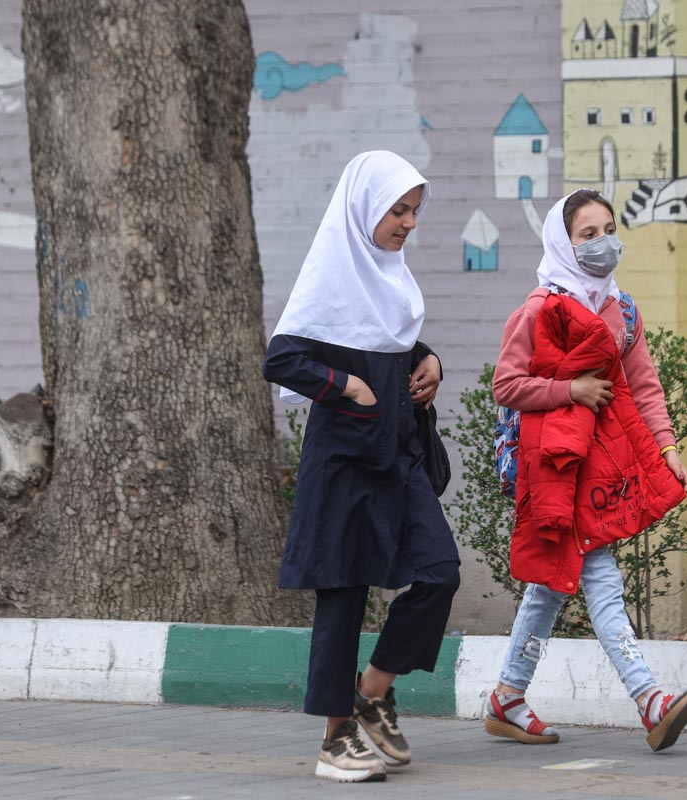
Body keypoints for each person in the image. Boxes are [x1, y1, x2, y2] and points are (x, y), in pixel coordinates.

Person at [262, 151, 461, 783]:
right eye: (397, 211)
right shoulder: (330, 277)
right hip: (345, 459)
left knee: (440, 573)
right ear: (363, 210)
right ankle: (335, 739)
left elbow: (390, 343)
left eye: (413, 212)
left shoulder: (392, 278)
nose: (407, 223)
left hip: (397, 455)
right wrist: (344, 384)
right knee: (343, 595)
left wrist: (427, 361)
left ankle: (373, 688)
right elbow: (283, 358)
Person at [484, 188, 687, 753]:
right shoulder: (538, 310)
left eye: (609, 229)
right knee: (599, 578)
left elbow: (643, 385)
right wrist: (570, 389)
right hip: (554, 468)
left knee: (550, 586)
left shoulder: (621, 309)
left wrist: (667, 446)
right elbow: (506, 386)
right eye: (588, 234)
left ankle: (507, 695)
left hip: (602, 469)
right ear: (563, 241)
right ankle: (650, 700)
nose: (603, 243)